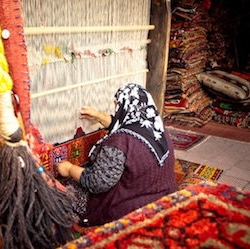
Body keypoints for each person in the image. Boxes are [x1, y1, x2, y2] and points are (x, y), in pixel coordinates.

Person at [57, 83, 178, 227]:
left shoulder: (120, 142)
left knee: (62, 189)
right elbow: (123, 122)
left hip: (133, 206)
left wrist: (70, 168)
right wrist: (99, 116)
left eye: (118, 106)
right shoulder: (156, 127)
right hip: (164, 195)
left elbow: (97, 182)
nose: (117, 109)